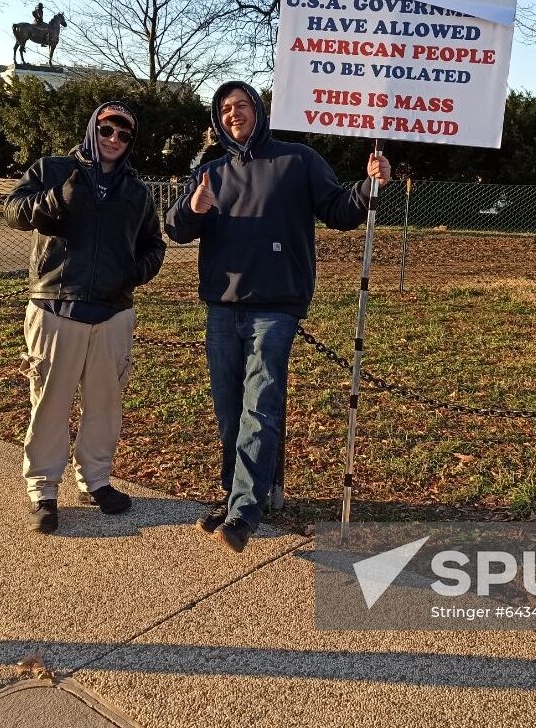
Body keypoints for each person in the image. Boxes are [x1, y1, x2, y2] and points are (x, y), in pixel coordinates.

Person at [165, 81, 390, 553]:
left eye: (241, 105)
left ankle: (246, 511)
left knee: (260, 403)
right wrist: (193, 207)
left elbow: (339, 210)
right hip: (222, 306)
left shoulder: (297, 160)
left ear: (259, 110)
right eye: (224, 109)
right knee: (230, 410)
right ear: (217, 118)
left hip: (275, 306)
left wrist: (369, 185)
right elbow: (175, 229)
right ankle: (234, 496)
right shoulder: (210, 173)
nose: (233, 115)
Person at [5, 101, 166, 533]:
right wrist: (57, 199)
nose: (114, 139)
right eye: (107, 129)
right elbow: (14, 212)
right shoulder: (53, 169)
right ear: (93, 126)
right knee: (50, 405)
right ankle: (43, 490)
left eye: (124, 134)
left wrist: (137, 271)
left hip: (113, 313)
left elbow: (154, 243)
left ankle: (95, 479)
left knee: (104, 407)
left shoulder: (136, 192)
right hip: (55, 305)